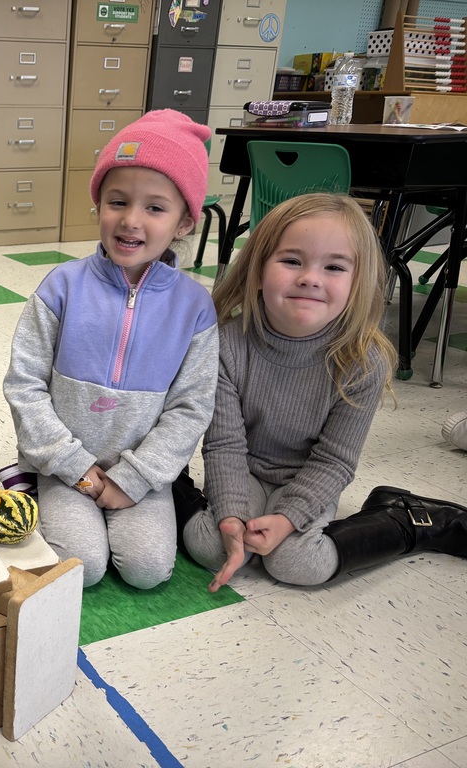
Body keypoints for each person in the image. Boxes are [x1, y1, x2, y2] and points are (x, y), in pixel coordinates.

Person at [182, 192, 467, 591]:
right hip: (244, 469)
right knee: (211, 546)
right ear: (259, 268)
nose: (310, 277)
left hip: (308, 477)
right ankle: (174, 488)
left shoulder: (363, 360)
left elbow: (335, 461)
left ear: (357, 283)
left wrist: (288, 518)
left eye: (334, 267)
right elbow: (224, 444)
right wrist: (229, 515)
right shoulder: (227, 343)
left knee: (297, 564)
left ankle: (407, 519)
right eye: (292, 261)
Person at [3, 109, 219, 589]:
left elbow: (192, 406)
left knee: (147, 572)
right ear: (98, 203)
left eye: (155, 208)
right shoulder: (61, 286)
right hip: (64, 465)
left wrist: (136, 478)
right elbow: (24, 384)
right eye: (117, 201)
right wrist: (73, 466)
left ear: (185, 222)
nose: (131, 220)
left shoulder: (196, 308)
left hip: (142, 469)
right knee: (83, 569)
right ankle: (25, 476)